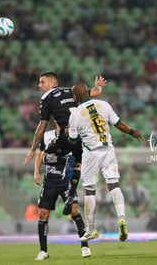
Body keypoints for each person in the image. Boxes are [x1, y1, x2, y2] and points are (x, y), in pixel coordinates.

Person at [68, 82, 143, 242]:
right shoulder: (103, 104)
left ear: (75, 97)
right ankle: (122, 218)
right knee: (114, 185)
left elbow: (73, 140)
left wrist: (71, 134)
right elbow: (119, 124)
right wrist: (132, 132)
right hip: (108, 150)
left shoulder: (75, 114)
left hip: (91, 154)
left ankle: (90, 229)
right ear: (88, 93)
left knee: (89, 190)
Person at [24, 72, 106, 216]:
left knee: (47, 154)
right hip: (85, 134)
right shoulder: (72, 90)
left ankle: (60, 187)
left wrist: (33, 149)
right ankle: (70, 194)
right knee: (77, 162)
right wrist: (98, 87)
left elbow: (42, 126)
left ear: (52, 83)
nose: (39, 85)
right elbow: (93, 92)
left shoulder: (46, 97)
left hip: (67, 135)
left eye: (42, 82)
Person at [33, 126, 91, 260]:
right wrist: (36, 171)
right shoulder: (47, 136)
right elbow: (42, 156)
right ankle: (43, 251)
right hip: (50, 181)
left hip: (66, 180)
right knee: (42, 213)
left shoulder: (73, 138)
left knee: (74, 210)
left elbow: (76, 161)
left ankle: (84, 246)